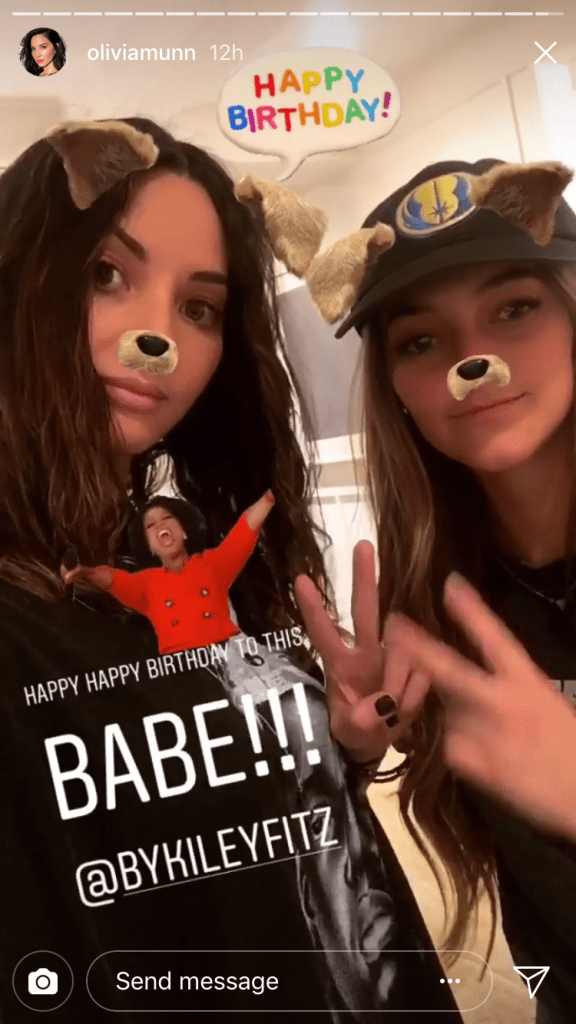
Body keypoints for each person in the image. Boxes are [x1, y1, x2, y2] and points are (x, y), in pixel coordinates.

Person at [0, 119, 459, 1022]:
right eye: (106, 274)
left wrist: (340, 743)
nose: (157, 336)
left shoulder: (169, 541)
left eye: (199, 308)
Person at [287, 159, 576, 1023]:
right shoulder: (437, 601)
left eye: (513, 308)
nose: (471, 360)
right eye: (420, 340)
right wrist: (355, 747)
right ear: (396, 388)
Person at [61, 492, 275, 652]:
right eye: (150, 525)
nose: (160, 525)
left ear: (184, 531)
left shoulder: (213, 564)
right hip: (181, 669)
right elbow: (112, 580)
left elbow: (245, 528)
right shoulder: (146, 583)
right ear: (149, 546)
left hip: (229, 655)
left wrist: (271, 495)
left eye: (167, 518)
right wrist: (84, 572)